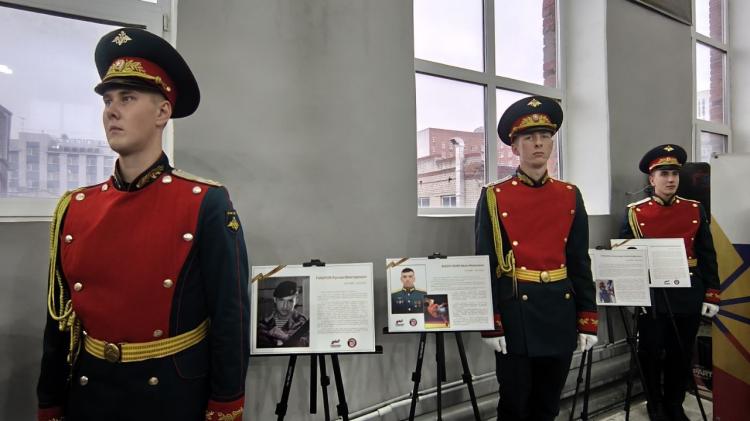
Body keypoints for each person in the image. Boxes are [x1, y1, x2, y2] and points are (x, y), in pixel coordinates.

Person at [36, 28, 250, 421]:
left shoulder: (204, 203)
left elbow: (229, 318)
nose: (111, 110)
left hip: (170, 396)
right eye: (108, 100)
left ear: (162, 113)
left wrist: (226, 404)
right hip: (89, 392)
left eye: (127, 98)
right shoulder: (76, 208)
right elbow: (60, 322)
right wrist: (50, 402)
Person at [475, 96, 598, 421]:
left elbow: (579, 261)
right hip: (517, 313)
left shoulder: (569, 195)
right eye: (529, 137)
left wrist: (587, 315)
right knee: (514, 403)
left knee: (548, 403)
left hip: (560, 310)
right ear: (515, 147)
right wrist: (492, 324)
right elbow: (486, 265)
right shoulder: (494, 196)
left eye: (545, 136)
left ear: (552, 143)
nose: (538, 143)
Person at [621, 144, 720, 421]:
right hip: (652, 295)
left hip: (687, 290)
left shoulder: (694, 209)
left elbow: (707, 254)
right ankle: (654, 403)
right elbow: (627, 256)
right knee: (650, 351)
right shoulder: (635, 213)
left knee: (681, 351)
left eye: (674, 173)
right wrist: (630, 294)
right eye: (664, 174)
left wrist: (712, 293)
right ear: (651, 179)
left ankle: (675, 403)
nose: (671, 179)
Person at [257, 280, 310, 347]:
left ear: (296, 301)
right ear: (275, 300)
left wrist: (285, 337)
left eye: (290, 301)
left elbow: (306, 345)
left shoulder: (302, 322)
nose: (285, 306)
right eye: (281, 300)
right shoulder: (264, 323)